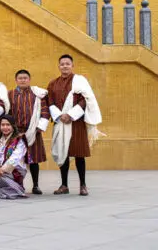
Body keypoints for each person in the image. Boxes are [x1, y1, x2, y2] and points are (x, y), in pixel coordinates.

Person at [48, 54, 103, 196]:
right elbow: (50, 102)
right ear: (59, 66)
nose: (65, 66)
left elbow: (85, 100)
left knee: (79, 154)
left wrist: (71, 115)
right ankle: (64, 185)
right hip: (60, 122)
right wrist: (60, 115)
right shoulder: (53, 84)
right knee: (63, 153)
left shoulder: (80, 81)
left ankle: (83, 185)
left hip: (76, 123)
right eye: (62, 64)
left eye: (67, 64)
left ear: (72, 66)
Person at [8, 69, 50, 195]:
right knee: (15, 160)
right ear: (16, 80)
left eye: (25, 78)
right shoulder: (10, 94)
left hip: (33, 131)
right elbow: (7, 113)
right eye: (20, 78)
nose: (22, 80)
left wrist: (38, 128)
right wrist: (11, 130)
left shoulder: (37, 94)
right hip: (15, 133)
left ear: (29, 79)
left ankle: (35, 185)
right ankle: (17, 185)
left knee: (33, 160)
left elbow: (45, 111)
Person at [0, 115, 28, 199]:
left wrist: (3, 169)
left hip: (14, 170)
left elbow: (15, 158)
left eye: (8, 125)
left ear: (13, 126)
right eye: (3, 125)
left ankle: (18, 190)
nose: (5, 127)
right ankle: (11, 190)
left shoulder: (19, 140)